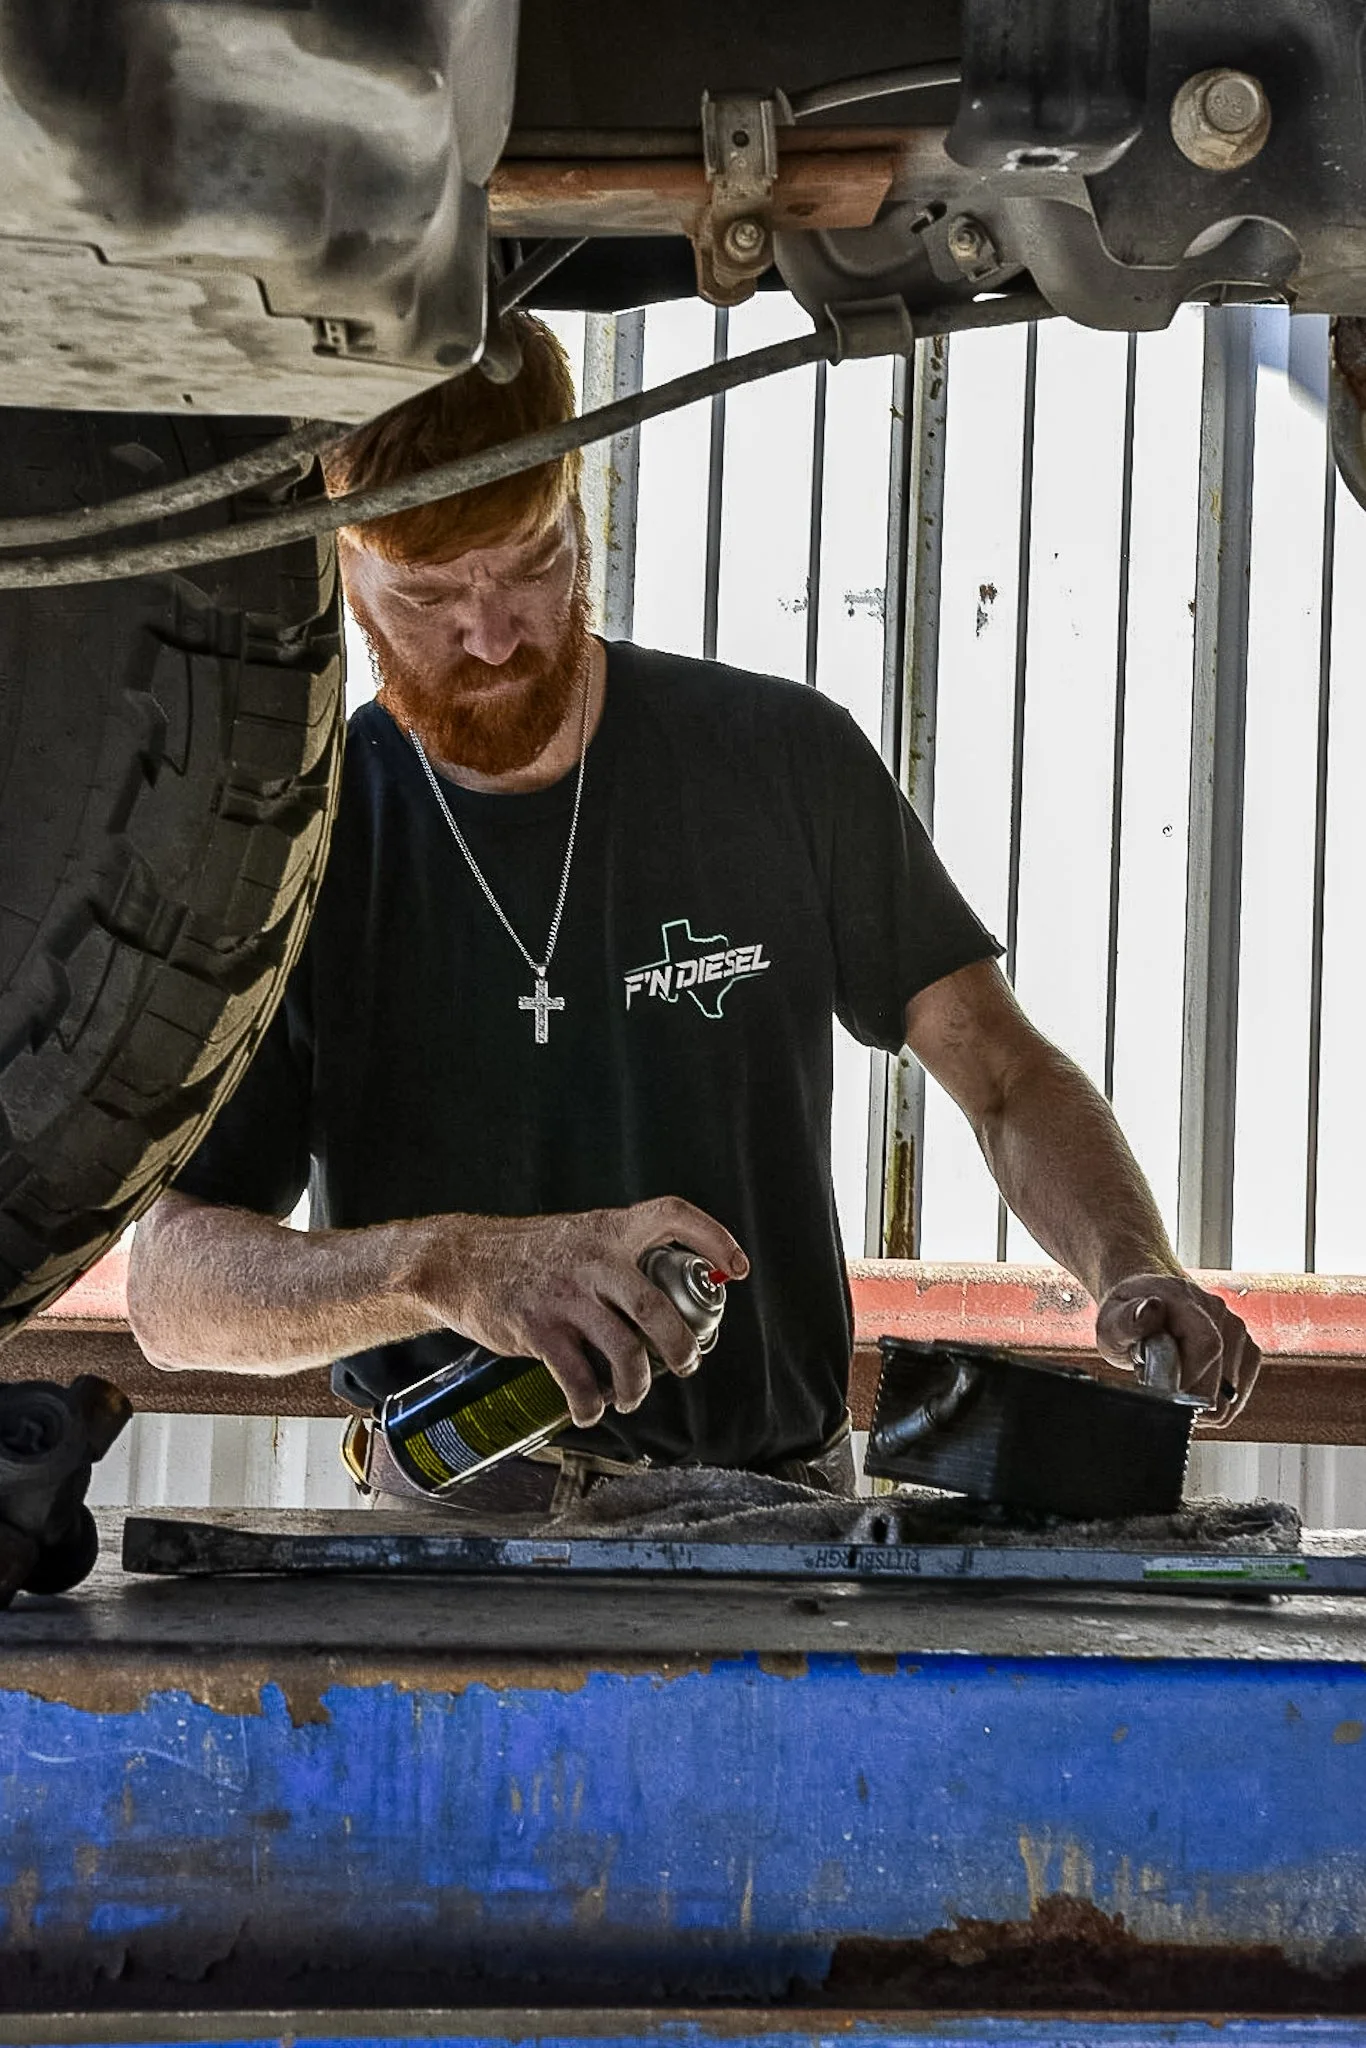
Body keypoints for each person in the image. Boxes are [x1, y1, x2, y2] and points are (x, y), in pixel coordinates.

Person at [126, 311, 1260, 1510]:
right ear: (340, 564)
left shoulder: (779, 758)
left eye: (531, 561)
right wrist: (443, 1270)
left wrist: (1131, 1263)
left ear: (581, 508)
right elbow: (171, 1289)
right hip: (460, 1535)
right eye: (427, 594)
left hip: (777, 1513)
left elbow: (1001, 1074)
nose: (495, 633)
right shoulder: (299, 838)